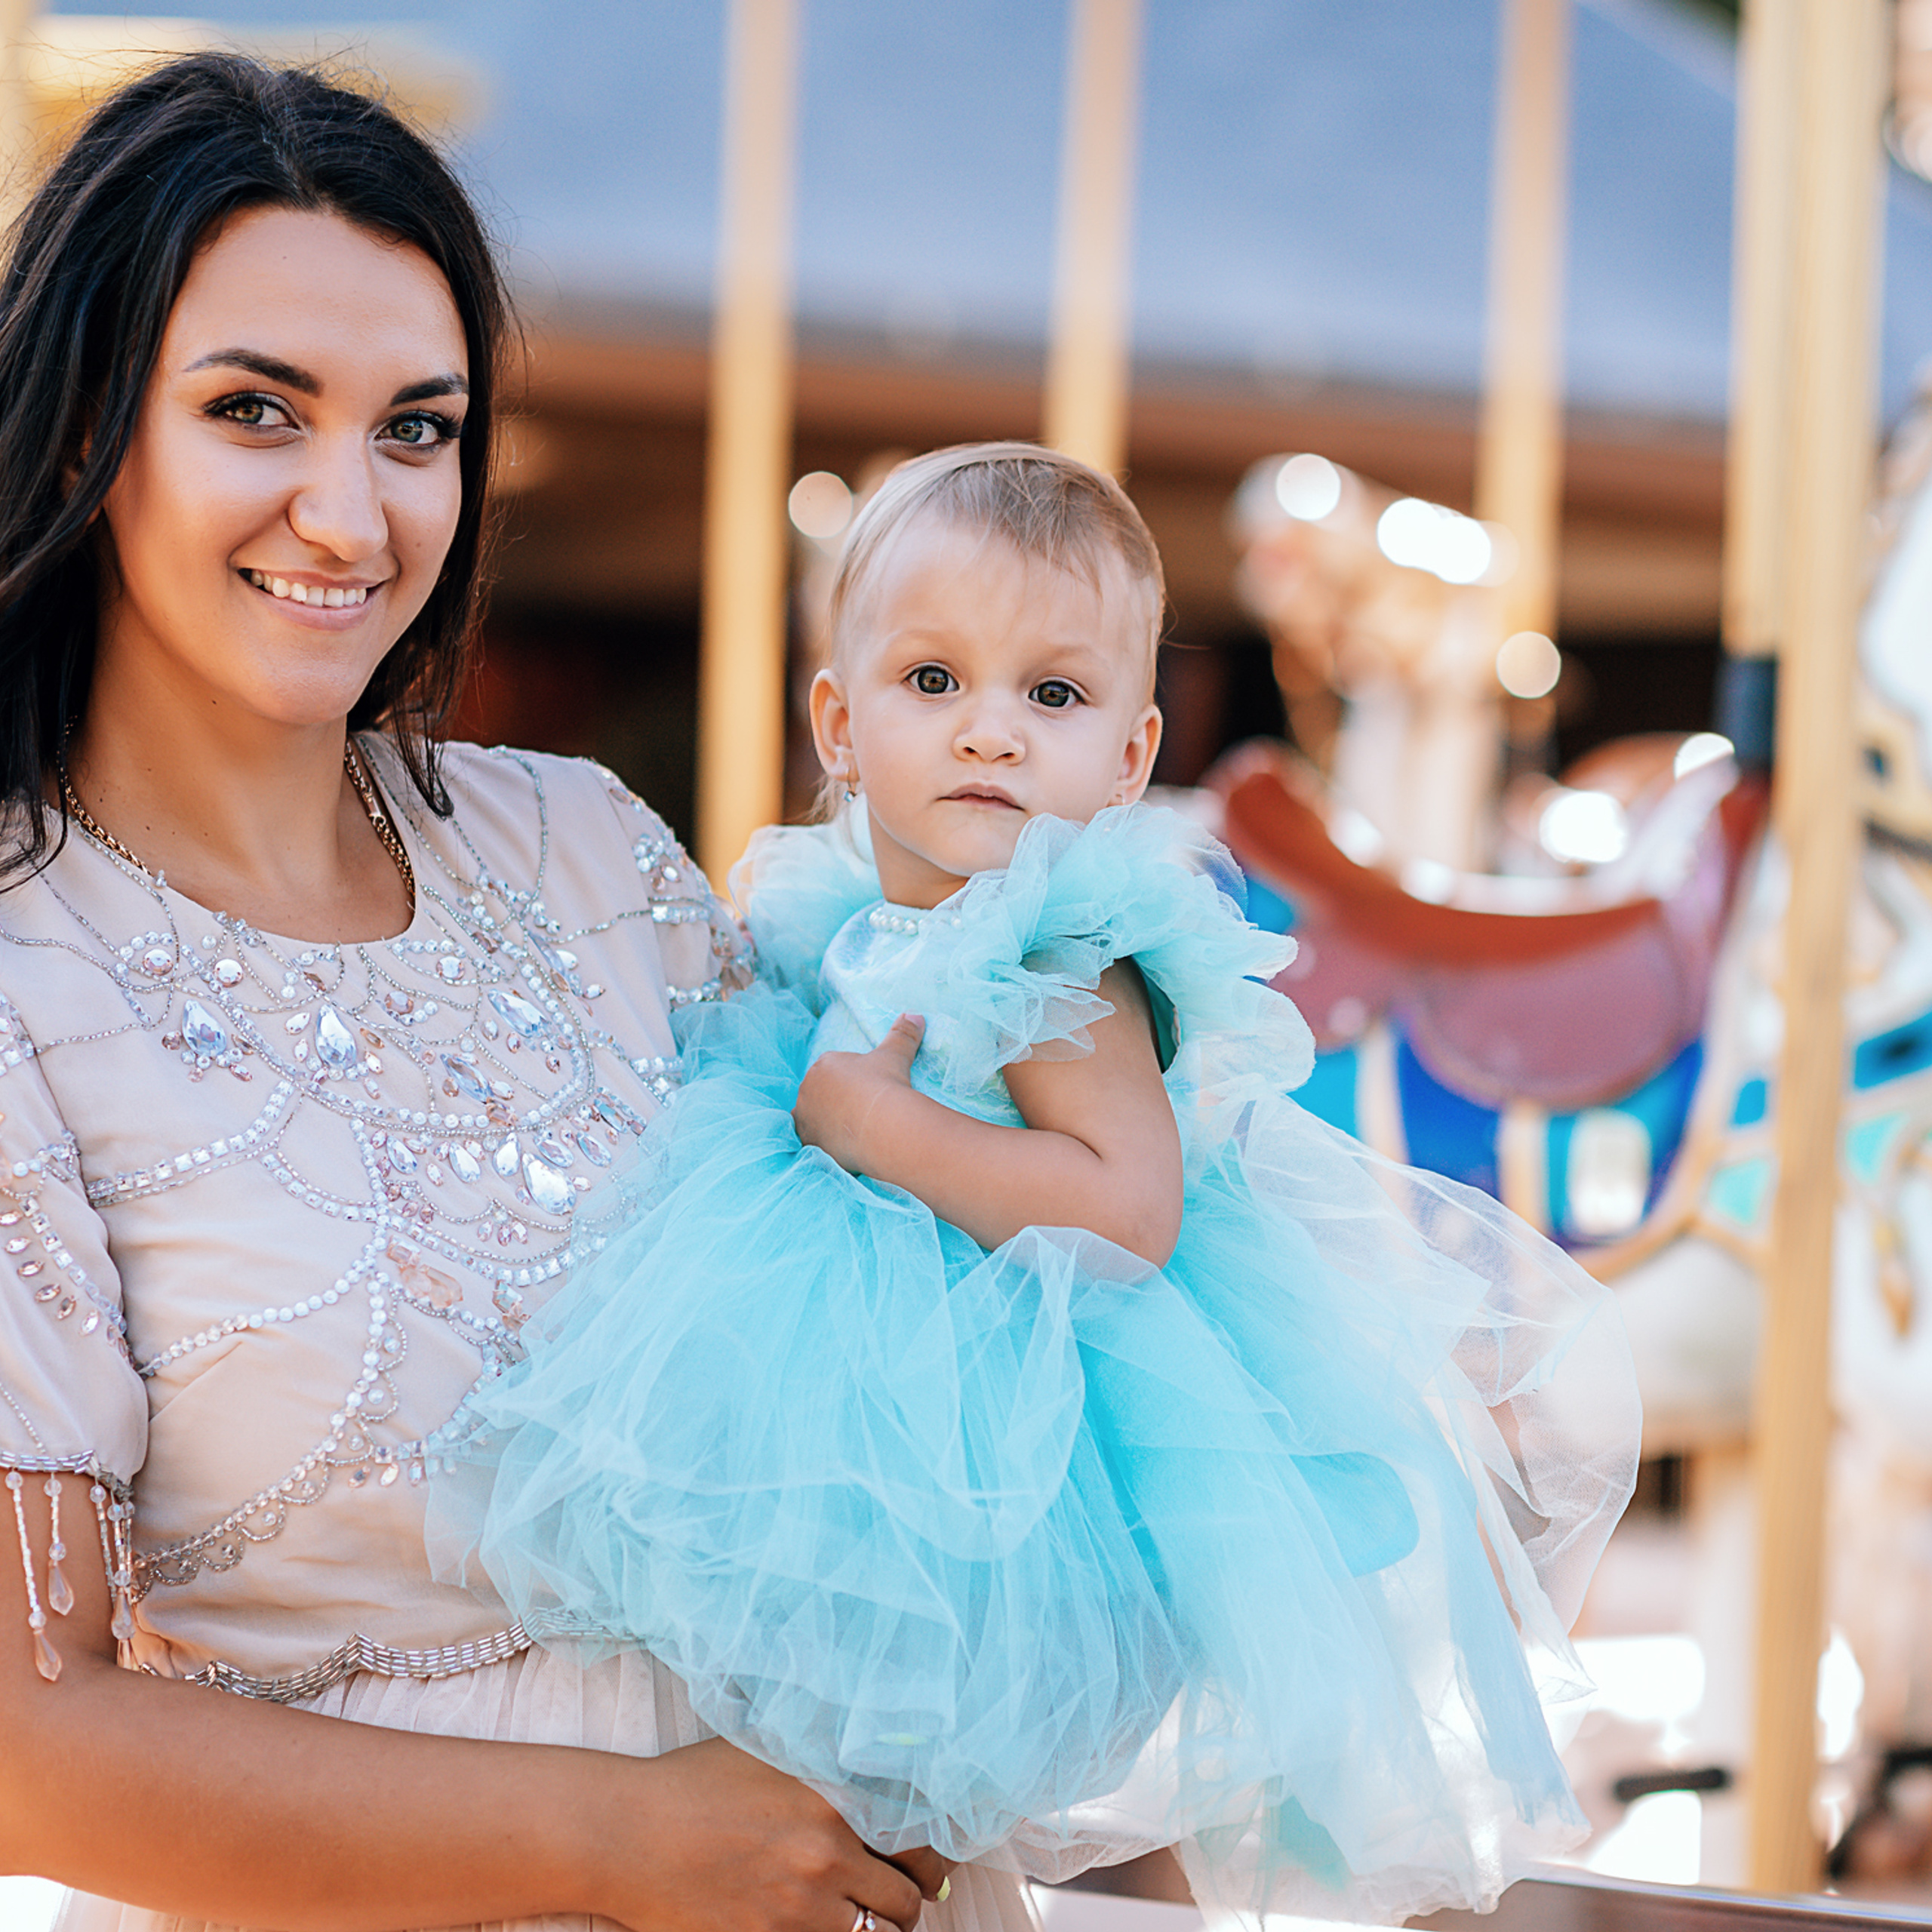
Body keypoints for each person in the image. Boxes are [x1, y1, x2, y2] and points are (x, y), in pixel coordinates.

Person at [0, 52, 968, 1932]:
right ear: (80, 436)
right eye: (256, 410)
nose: (349, 516)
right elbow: (24, 1737)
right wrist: (620, 1840)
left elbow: (900, 1316)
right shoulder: (25, 971)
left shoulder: (587, 857)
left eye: (416, 429)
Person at [444, 444, 1644, 1927]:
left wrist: (874, 1127)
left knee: (897, 1790)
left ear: (1130, 757)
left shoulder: (1058, 953)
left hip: (999, 1438)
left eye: (1051, 696)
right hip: (866, 1376)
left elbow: (1124, 1210)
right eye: (932, 681)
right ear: (837, 717)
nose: (988, 734)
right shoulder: (849, 916)